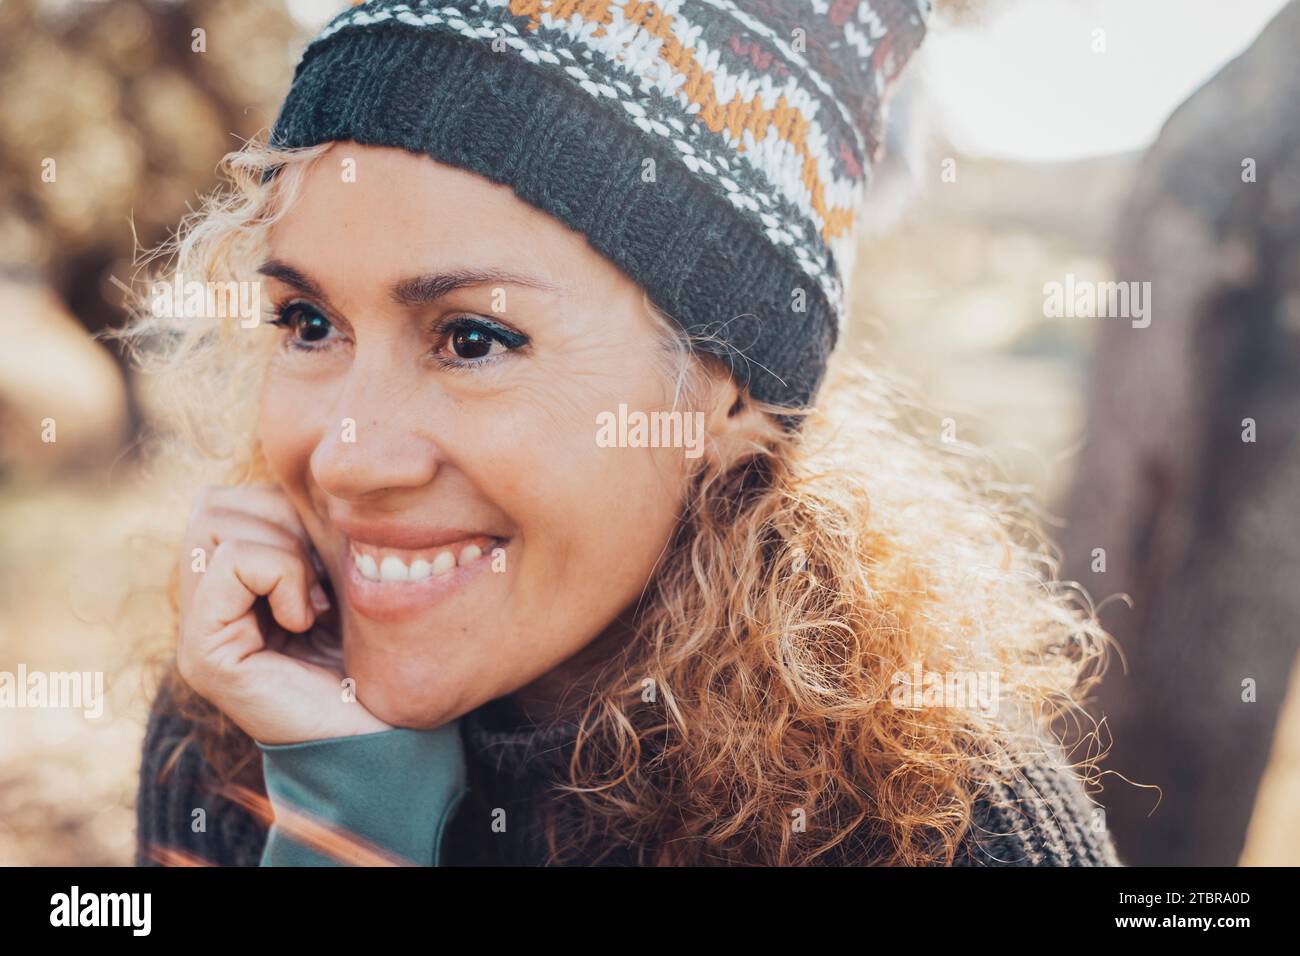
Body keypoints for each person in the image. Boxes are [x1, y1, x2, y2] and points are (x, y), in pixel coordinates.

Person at [130, 0, 1119, 867]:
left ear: (731, 401)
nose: (348, 456)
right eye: (309, 324)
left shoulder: (939, 824)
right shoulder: (235, 718)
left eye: (471, 339)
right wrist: (344, 806)